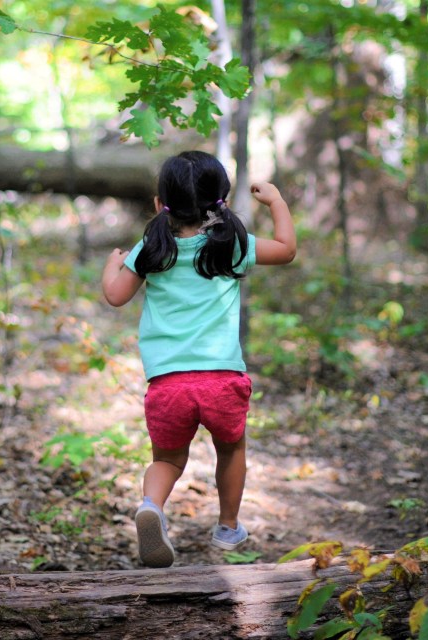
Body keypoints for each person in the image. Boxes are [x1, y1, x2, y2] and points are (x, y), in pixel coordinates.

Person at [101, 150, 296, 568]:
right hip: (222, 379)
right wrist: (276, 201)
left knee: (167, 460)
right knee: (231, 449)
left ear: (159, 204)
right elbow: (286, 249)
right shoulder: (231, 245)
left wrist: (111, 265)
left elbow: (115, 296)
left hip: (168, 384)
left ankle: (151, 506)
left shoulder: (151, 247)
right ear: (220, 200)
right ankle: (228, 526)